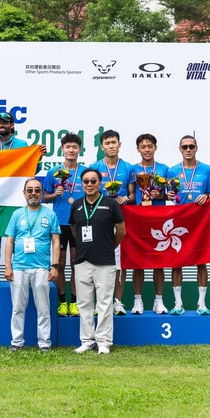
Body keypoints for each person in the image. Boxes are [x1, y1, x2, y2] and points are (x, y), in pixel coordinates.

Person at [69, 169, 126, 354]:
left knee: (104, 302)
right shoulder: (76, 205)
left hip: (105, 261)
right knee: (84, 303)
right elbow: (74, 229)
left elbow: (121, 231)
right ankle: (87, 340)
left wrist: (109, 246)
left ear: (100, 183)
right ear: (82, 183)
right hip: (82, 260)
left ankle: (104, 342)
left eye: (93, 181)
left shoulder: (111, 204)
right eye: (86, 181)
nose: (89, 184)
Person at [3, 178, 60, 352]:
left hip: (42, 268)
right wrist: (7, 266)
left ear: (42, 193)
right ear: (24, 193)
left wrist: (54, 266)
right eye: (30, 190)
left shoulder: (50, 214)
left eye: (37, 190)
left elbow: (56, 241)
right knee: (18, 308)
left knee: (43, 308)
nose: (33, 193)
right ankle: (16, 341)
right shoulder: (17, 214)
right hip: (19, 267)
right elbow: (10, 241)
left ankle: (44, 343)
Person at [0, 111, 40, 287]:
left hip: (15, 197)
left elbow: (32, 170)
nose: (1, 125)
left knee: (18, 234)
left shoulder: (22, 144)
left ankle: (19, 269)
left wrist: (39, 158)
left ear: (12, 125)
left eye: (5, 122)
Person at [165, 135, 210, 315]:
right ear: (180, 149)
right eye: (185, 147)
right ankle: (178, 303)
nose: (188, 150)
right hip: (179, 220)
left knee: (201, 261)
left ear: (196, 148)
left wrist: (209, 196)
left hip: (200, 221)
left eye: (191, 146)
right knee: (176, 262)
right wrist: (169, 196)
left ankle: (201, 303)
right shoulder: (171, 171)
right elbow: (168, 195)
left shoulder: (207, 170)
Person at [89, 130, 133, 315]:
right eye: (107, 143)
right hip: (100, 220)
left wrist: (126, 199)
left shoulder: (128, 167)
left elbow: (132, 195)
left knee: (120, 263)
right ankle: (100, 303)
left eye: (114, 142)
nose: (111, 146)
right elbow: (90, 193)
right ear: (102, 147)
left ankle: (118, 301)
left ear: (120, 144)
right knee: (97, 262)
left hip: (120, 220)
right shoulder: (94, 167)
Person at [43, 133, 86, 316]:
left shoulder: (85, 172)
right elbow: (44, 196)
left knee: (77, 263)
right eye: (68, 147)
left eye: (74, 147)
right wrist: (55, 194)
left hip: (79, 223)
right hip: (58, 223)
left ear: (79, 150)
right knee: (59, 263)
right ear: (62, 149)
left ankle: (75, 302)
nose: (71, 150)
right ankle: (62, 301)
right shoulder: (53, 172)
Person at [127, 133, 170, 315]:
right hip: (138, 219)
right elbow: (130, 196)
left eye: (150, 146)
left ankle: (158, 301)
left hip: (159, 218)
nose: (146, 149)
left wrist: (159, 196)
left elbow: (170, 194)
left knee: (158, 262)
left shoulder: (164, 169)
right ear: (138, 149)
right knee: (138, 261)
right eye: (143, 146)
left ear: (155, 148)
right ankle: (138, 301)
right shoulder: (132, 170)